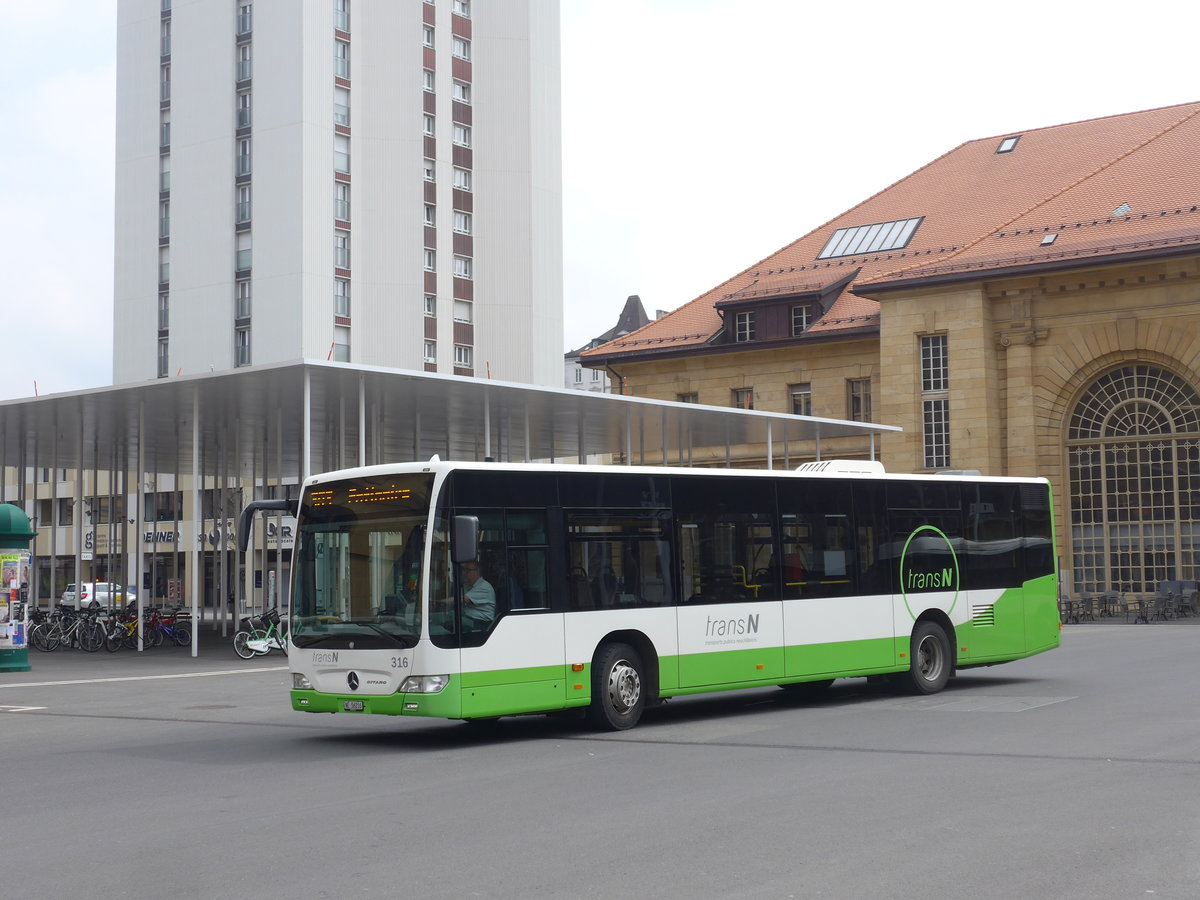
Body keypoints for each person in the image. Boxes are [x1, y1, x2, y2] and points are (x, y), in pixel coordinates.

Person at [460, 561, 496, 626]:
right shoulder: (469, 585)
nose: (464, 573)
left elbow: (463, 599)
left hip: (481, 624)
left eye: (467, 570)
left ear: (477, 572)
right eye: (463, 570)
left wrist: (441, 601)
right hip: (470, 620)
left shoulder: (484, 586)